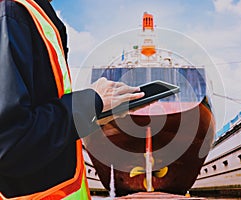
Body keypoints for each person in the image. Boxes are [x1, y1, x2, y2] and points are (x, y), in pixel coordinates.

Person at [0, 0, 144, 199]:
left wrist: (95, 114)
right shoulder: (12, 13)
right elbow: (11, 143)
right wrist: (90, 101)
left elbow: (39, 117)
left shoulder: (35, 15)